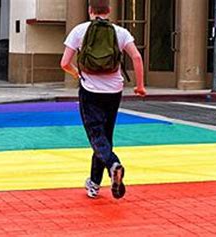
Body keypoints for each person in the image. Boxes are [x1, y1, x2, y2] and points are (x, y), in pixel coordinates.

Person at [60, 0, 146, 199]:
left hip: (90, 90)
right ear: (109, 10)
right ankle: (94, 184)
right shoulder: (120, 32)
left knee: (96, 137)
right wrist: (140, 86)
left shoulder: (80, 30)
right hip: (114, 91)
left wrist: (76, 74)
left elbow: (64, 63)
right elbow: (137, 58)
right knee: (104, 137)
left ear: (90, 10)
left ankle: (114, 164)